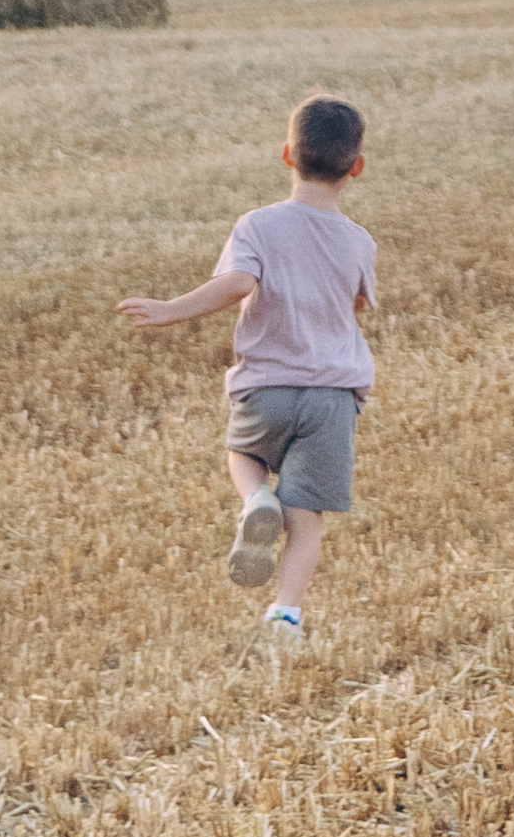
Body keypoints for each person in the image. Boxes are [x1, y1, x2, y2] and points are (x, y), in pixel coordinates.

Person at [119, 91, 374, 646]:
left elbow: (237, 283)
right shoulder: (359, 242)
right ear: (356, 167)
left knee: (244, 454)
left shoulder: (257, 226)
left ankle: (256, 498)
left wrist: (169, 310)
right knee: (307, 520)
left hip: (267, 385)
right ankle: (285, 616)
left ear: (287, 155)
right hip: (332, 396)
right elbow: (354, 305)